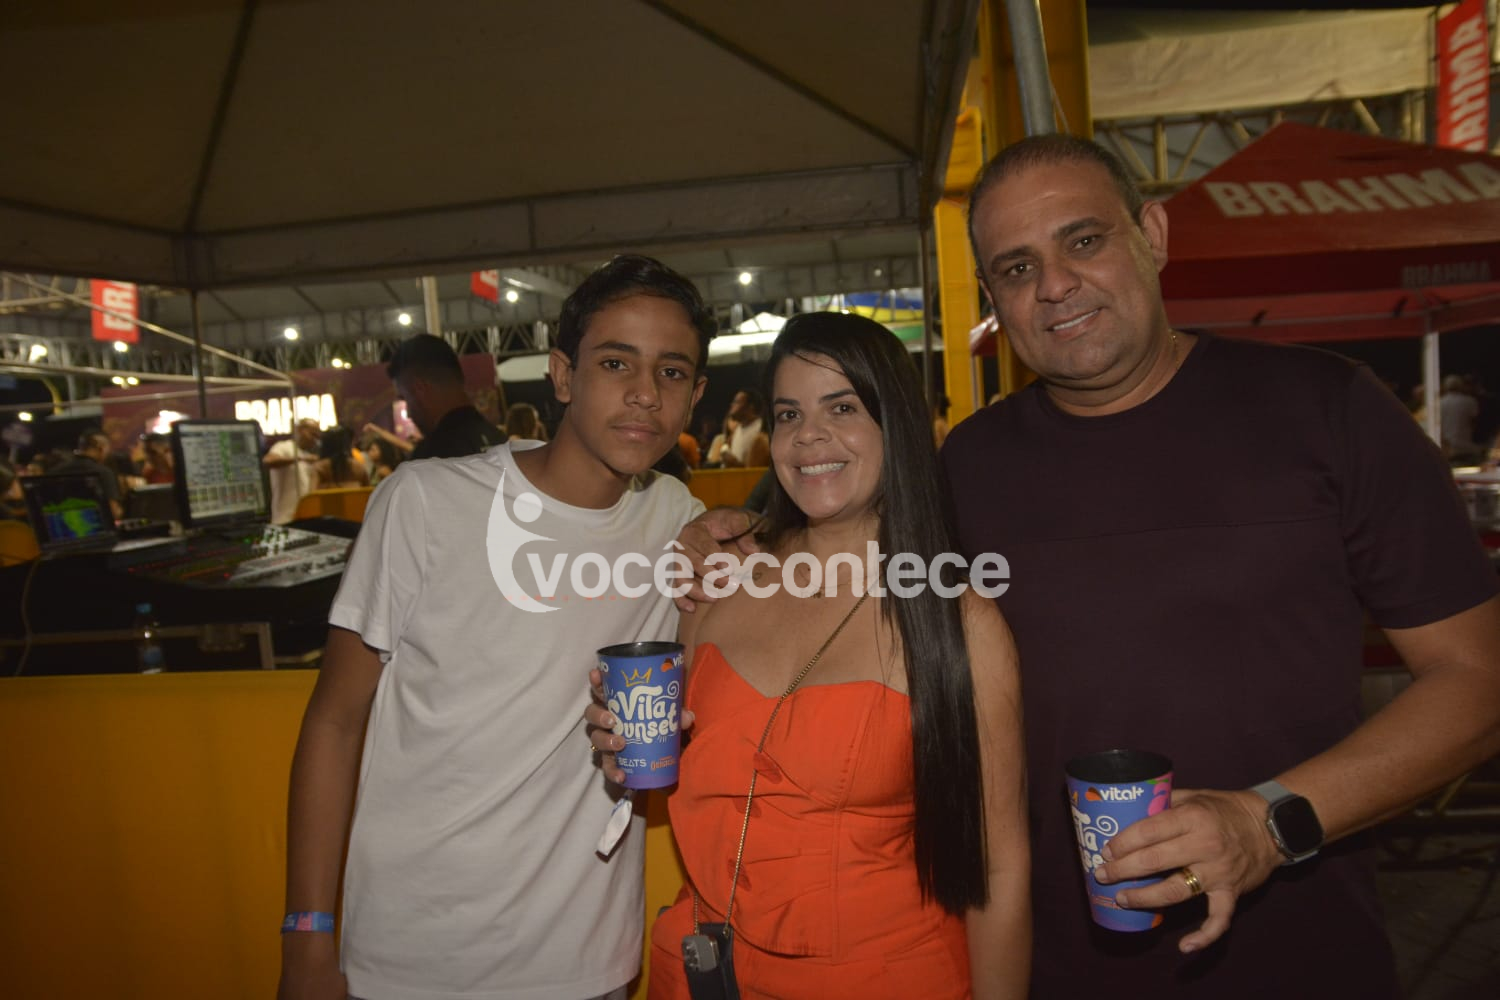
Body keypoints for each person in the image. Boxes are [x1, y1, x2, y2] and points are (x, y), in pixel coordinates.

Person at [947, 133, 1500, 998]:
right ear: (993, 298)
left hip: (1304, 964)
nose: (1053, 284)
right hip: (1061, 973)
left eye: (1083, 240)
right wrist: (740, 542)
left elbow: (1478, 681)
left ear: (1153, 236)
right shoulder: (964, 469)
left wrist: (1264, 823)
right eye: (1016, 268)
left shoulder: (1329, 410)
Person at [277, 254, 715, 1000]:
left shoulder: (678, 520)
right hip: (412, 956)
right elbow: (335, 720)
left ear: (696, 395)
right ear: (563, 375)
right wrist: (306, 938)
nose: (645, 392)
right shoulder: (424, 503)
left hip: (586, 962)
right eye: (616, 363)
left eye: (671, 372)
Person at [592, 313, 1030, 998]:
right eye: (789, 414)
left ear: (896, 424)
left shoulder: (955, 619)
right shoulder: (720, 581)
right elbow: (684, 772)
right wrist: (622, 753)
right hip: (702, 973)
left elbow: (999, 869)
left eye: (842, 408)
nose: (808, 435)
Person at [386, 333, 506, 460]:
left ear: (420, 388)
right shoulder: (502, 442)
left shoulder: (429, 459)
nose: (409, 414)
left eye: (405, 398)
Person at [49, 429, 123, 520]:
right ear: (101, 448)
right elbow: (113, 512)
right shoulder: (104, 473)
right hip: (95, 526)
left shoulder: (54, 471)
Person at [263, 418, 321, 525]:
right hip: (285, 519)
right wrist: (301, 459)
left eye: (317, 436)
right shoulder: (284, 447)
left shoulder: (308, 456)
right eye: (312, 434)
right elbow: (268, 461)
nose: (315, 440)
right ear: (299, 430)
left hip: (304, 518)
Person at [705, 389, 771, 467]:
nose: (732, 405)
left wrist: (735, 464)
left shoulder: (761, 431)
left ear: (751, 407)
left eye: (737, 402)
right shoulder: (737, 430)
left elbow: (757, 469)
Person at [1439, 373, 1482, 463]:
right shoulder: (1470, 401)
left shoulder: (1439, 403)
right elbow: (1474, 424)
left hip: (1446, 448)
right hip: (1465, 446)